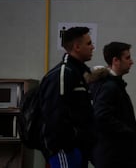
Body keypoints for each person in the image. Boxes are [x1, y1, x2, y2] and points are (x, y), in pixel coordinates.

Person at [39, 26, 95, 168]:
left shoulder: (80, 73)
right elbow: (54, 114)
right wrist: (72, 139)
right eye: (88, 43)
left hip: (79, 147)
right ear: (76, 47)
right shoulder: (64, 73)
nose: (93, 47)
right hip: (64, 149)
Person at [86, 42, 136, 168]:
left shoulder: (107, 84)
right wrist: (127, 132)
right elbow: (102, 116)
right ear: (116, 60)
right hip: (116, 157)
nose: (131, 62)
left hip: (112, 155)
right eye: (127, 58)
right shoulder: (110, 87)